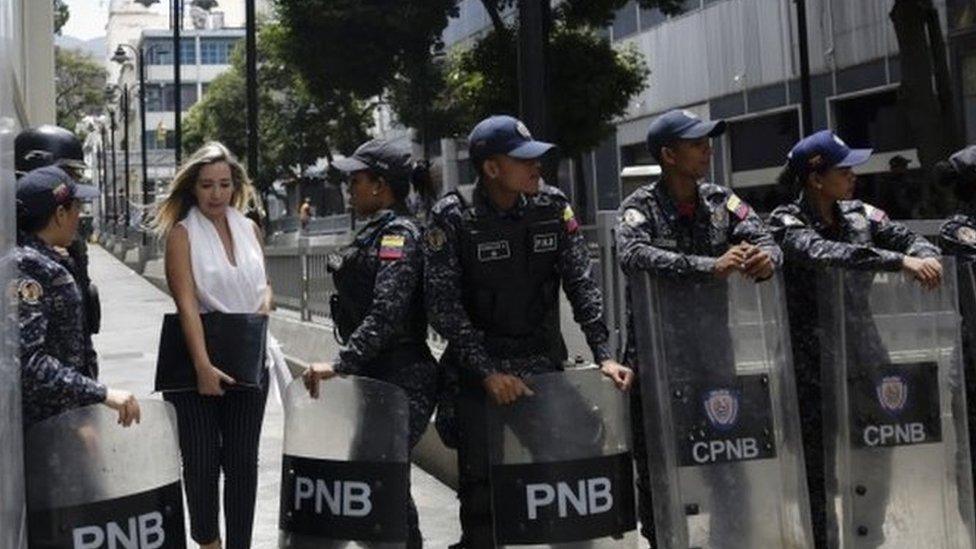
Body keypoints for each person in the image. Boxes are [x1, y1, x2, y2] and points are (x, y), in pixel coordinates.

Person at [423, 115, 633, 548]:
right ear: (492, 168)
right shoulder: (453, 215)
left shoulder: (552, 207)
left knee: (575, 473)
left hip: (539, 367)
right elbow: (444, 306)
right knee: (485, 507)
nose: (536, 166)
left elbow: (581, 282)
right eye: (523, 160)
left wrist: (604, 352)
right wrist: (487, 374)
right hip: (479, 375)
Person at [615, 109, 780, 546]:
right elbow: (634, 256)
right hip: (660, 365)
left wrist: (766, 260)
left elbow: (764, 237)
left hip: (715, 362)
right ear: (669, 154)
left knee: (727, 469)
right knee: (662, 475)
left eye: (708, 141)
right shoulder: (639, 207)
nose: (708, 149)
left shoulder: (721, 201)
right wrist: (711, 266)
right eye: (695, 143)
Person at [769, 130, 941, 548]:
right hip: (811, 365)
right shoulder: (785, 221)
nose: (853, 177)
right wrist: (901, 262)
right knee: (818, 469)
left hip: (866, 358)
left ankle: (869, 539)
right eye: (844, 169)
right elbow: (824, 253)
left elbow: (909, 239)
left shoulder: (862, 213)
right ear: (815, 179)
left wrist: (925, 256)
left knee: (877, 457)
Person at [302, 138, 439, 548]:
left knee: (380, 476)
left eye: (356, 180)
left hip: (403, 377)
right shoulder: (377, 231)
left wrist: (341, 363)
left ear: (380, 185)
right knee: (383, 481)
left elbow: (387, 312)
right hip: (378, 376)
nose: (350, 188)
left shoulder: (399, 235)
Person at [149, 142, 272, 549]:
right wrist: (203, 366)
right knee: (201, 465)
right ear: (193, 188)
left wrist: (265, 303)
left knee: (242, 465)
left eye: (223, 184)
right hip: (195, 364)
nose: (216, 193)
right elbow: (186, 304)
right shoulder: (182, 234)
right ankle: (208, 542)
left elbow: (263, 284)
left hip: (249, 360)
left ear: (235, 186)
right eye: (207, 185)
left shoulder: (250, 228)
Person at [15, 166, 139, 428]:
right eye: (76, 208)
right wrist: (101, 394)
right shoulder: (29, 268)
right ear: (60, 214)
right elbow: (29, 363)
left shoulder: (47, 260)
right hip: (46, 431)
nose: (79, 217)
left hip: (65, 422)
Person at [16, 124, 101, 376]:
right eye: (67, 175)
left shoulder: (69, 243)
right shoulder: (22, 255)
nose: (71, 184)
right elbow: (29, 360)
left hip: (75, 390)